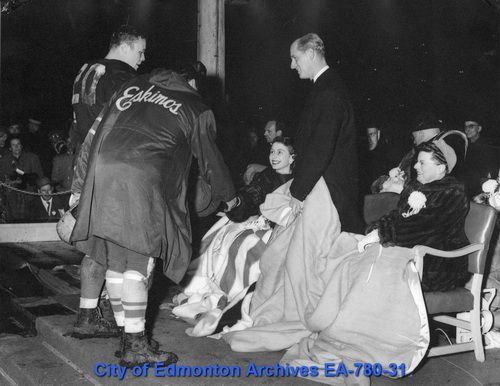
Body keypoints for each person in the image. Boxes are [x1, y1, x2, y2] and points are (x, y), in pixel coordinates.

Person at [223, 132, 469, 384]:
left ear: (441, 167)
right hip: (410, 251)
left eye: (422, 163)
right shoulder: (418, 187)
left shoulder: (453, 192)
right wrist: (376, 231)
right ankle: (337, 332)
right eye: (417, 161)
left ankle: (367, 341)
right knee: (349, 255)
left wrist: (381, 234)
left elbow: (424, 228)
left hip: (438, 264)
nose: (415, 166)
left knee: (374, 270)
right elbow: (398, 219)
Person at [70, 65, 237, 366]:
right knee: (138, 263)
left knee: (117, 261)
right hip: (141, 178)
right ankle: (135, 344)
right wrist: (230, 195)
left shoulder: (131, 88)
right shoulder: (196, 107)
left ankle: (126, 333)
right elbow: (211, 161)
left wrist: (82, 185)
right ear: (193, 82)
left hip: (103, 171)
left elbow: (95, 134)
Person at [172, 137, 296, 337]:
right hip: (260, 223)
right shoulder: (266, 177)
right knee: (242, 242)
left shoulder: (301, 179)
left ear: (292, 158)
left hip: (287, 230)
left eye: (280, 152)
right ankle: (232, 294)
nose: (273, 157)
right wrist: (238, 203)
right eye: (272, 152)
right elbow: (251, 195)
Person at [70, 25, 147, 341]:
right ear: (126, 47)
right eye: (141, 51)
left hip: (84, 165)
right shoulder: (122, 78)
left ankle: (88, 313)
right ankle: (120, 322)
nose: (143, 58)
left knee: (95, 246)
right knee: (116, 249)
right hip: (110, 169)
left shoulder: (85, 71)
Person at [288, 33, 363, 233]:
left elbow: (321, 147)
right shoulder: (324, 86)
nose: (292, 65)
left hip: (331, 191)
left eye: (295, 58)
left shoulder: (328, 91)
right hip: (325, 186)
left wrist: (298, 191)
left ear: (311, 53)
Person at [242, 120, 285, 185]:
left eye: (269, 131)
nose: (265, 134)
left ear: (278, 133)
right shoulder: (265, 147)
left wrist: (257, 168)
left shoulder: (286, 149)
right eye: (265, 131)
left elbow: (282, 175)